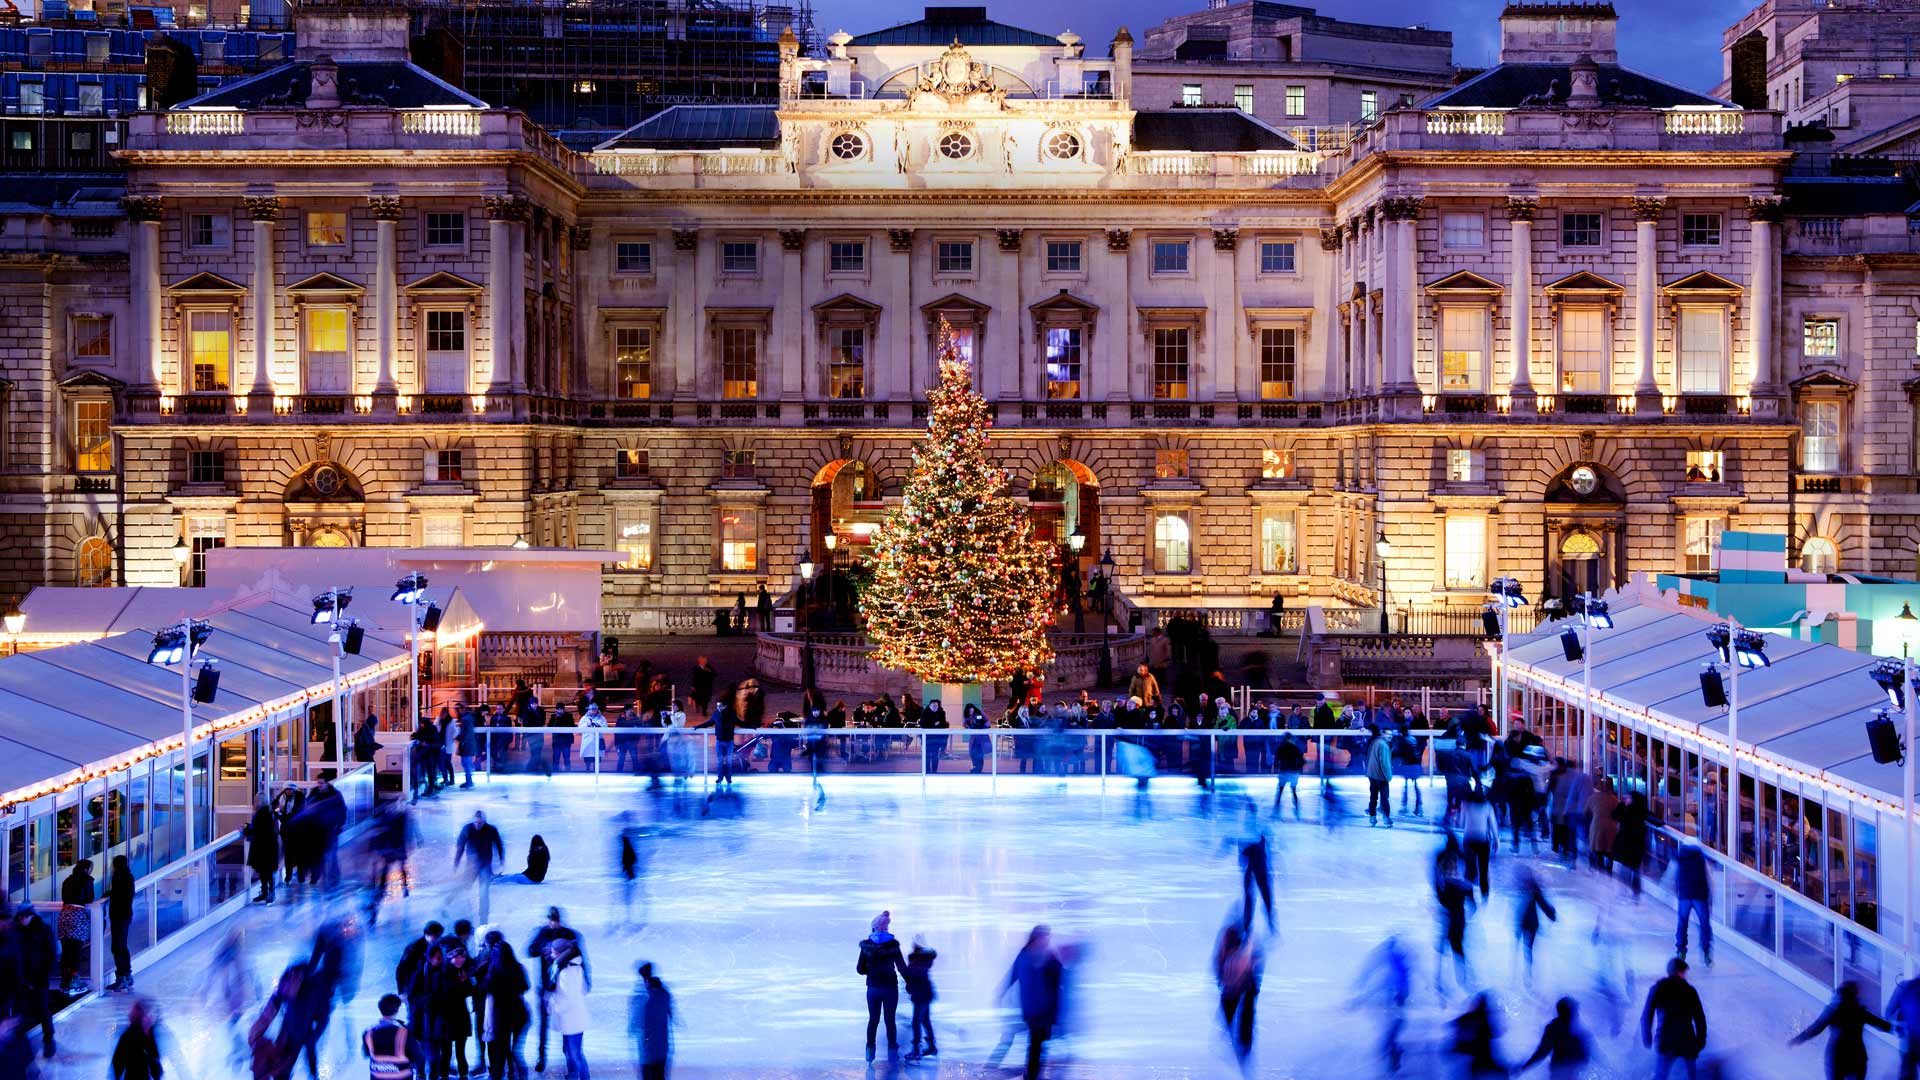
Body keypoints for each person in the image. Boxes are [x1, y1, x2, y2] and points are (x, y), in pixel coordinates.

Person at [991, 925, 1063, 1080]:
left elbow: (1057, 981)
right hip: (1033, 1008)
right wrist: (1000, 993)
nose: (1046, 940)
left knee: (1040, 1042)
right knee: (1037, 1042)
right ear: (1036, 937)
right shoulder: (1027, 955)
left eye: (1047, 937)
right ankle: (1032, 1074)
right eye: (1044, 936)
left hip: (1045, 1008)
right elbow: (1012, 975)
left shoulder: (1047, 956)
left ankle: (1032, 1073)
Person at [1793, 981, 1890, 1080]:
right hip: (1857, 1057)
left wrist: (1797, 1040)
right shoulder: (1859, 1011)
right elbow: (1881, 1025)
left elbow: (1816, 1028)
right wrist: (1894, 1026)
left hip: (1836, 1058)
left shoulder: (1832, 1010)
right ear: (1854, 994)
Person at [529, 908, 586, 1075]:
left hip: (563, 986)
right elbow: (530, 951)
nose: (554, 922)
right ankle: (542, 1056)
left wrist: (585, 980)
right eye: (552, 920)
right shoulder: (542, 933)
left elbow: (580, 957)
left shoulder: (569, 934)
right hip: (547, 986)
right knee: (544, 1024)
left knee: (567, 1021)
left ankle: (569, 1056)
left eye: (556, 919)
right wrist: (543, 948)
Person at [1641, 957, 1707, 1080]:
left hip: (1666, 1040)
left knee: (1661, 1075)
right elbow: (1700, 1018)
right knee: (1691, 1075)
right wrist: (1700, 1041)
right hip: (1687, 1040)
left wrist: (1647, 1036)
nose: (1686, 975)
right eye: (1684, 972)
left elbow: (1647, 1014)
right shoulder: (1690, 991)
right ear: (1679, 972)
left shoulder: (1658, 988)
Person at [857, 911, 909, 1063]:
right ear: (886, 928)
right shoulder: (893, 946)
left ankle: (869, 1052)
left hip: (873, 988)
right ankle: (892, 1053)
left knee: (873, 1019)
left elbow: (860, 969)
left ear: (873, 928)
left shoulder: (866, 946)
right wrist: (910, 982)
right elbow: (901, 967)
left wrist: (871, 971)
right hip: (890, 988)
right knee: (890, 1020)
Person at [479, 933, 530, 1080]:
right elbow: (525, 986)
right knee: (516, 1051)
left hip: (501, 1015)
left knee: (501, 1051)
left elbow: (484, 987)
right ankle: (520, 1076)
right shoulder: (518, 967)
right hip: (519, 1013)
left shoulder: (494, 970)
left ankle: (497, 1076)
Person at [1214, 921, 1263, 1068]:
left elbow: (1255, 962)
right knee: (1240, 1014)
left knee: (1244, 1014)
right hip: (1235, 988)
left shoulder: (1244, 952)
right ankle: (1242, 1048)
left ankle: (1243, 1048)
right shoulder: (1234, 947)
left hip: (1240, 987)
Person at [14, 906, 55, 1058]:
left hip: (39, 977)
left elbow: (50, 953)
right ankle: (22, 1047)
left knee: (43, 1009)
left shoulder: (43, 930)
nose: (22, 920)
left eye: (24, 917)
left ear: (31, 916)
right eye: (20, 917)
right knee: (21, 1011)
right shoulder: (16, 931)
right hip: (22, 979)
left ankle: (49, 1040)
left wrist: (46, 972)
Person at [454, 811, 504, 923]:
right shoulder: (467, 829)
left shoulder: (491, 830)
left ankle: (483, 917)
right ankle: (462, 910)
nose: (477, 825)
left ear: (484, 821)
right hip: (472, 865)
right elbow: (460, 847)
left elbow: (499, 844)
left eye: (480, 823)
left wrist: (501, 859)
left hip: (485, 865)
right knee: (464, 888)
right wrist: (456, 863)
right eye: (476, 822)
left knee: (484, 891)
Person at [549, 945, 591, 1080]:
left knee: (574, 1053)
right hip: (574, 1018)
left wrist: (553, 1007)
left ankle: (582, 1077)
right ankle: (574, 1076)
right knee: (571, 1052)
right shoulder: (576, 968)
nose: (551, 955)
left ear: (560, 953)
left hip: (572, 1019)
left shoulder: (566, 972)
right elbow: (583, 990)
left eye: (553, 952)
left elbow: (568, 999)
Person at [1671, 840, 1712, 965]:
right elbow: (1709, 878)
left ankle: (1681, 951)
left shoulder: (1679, 857)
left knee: (1682, 923)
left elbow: (1674, 875)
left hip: (1684, 896)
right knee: (1704, 924)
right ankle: (1706, 952)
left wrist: (1676, 891)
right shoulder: (1701, 859)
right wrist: (1710, 897)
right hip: (1700, 896)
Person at [56, 859, 93, 992]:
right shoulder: (87, 880)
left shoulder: (67, 880)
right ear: (86, 869)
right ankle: (73, 980)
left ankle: (64, 980)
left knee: (66, 950)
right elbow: (89, 898)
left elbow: (64, 898)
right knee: (76, 950)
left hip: (64, 914)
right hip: (77, 915)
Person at [631, 962, 672, 1080]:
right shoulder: (664, 994)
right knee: (660, 1075)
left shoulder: (643, 1000)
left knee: (648, 1075)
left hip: (648, 1049)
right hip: (662, 1047)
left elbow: (636, 1025)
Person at [111, 996, 165, 1080]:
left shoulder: (150, 1034)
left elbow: (156, 1065)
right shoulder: (130, 1036)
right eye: (148, 1015)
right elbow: (117, 1062)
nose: (150, 1018)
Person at [362, 994, 414, 1080]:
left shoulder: (368, 1032)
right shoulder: (404, 1032)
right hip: (401, 1076)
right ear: (396, 1010)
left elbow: (366, 1053)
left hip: (378, 1076)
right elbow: (418, 1057)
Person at [904, 936, 938, 1062]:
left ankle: (917, 1050)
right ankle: (931, 1047)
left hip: (920, 994)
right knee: (924, 1020)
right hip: (925, 992)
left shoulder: (916, 960)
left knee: (916, 1021)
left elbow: (913, 975)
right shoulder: (925, 959)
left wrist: (909, 986)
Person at [1461, 786, 1498, 899]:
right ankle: (1485, 893)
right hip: (1483, 840)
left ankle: (1468, 892)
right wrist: (1496, 840)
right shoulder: (1487, 806)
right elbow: (1493, 825)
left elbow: (1461, 822)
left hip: (1469, 839)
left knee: (1469, 867)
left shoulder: (1466, 805)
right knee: (1483, 868)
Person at [1365, 726, 1394, 827]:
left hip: (1372, 774)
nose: (1390, 737)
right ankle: (1386, 819)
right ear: (1382, 734)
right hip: (1380, 776)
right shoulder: (1384, 745)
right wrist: (1388, 776)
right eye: (1388, 735)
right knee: (1384, 798)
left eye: (1391, 735)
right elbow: (1384, 763)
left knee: (1373, 797)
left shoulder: (1375, 742)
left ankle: (1372, 818)